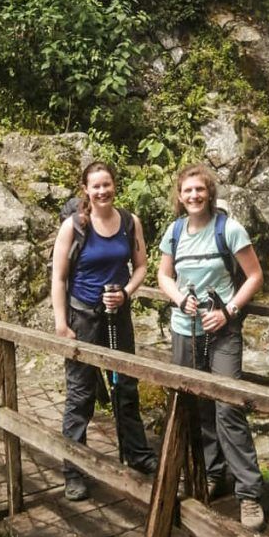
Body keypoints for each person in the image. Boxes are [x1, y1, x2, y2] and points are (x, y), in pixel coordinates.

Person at [157, 163, 266, 532]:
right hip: (185, 330)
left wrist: (229, 311)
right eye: (187, 191)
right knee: (197, 405)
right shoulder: (174, 232)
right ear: (179, 195)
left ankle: (248, 493)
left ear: (210, 192)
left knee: (228, 407)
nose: (193, 196)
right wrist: (177, 299)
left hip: (222, 332)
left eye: (199, 190)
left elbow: (254, 276)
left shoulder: (229, 229)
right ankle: (212, 474)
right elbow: (163, 275)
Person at [51, 161, 157, 501]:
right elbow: (58, 277)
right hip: (83, 316)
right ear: (85, 189)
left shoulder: (129, 222)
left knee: (125, 386)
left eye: (107, 184)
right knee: (80, 394)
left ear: (115, 185)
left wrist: (126, 292)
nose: (102, 191)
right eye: (96, 186)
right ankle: (74, 470)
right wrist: (61, 323)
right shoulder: (75, 226)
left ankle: (138, 455)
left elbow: (140, 267)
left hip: (118, 315)